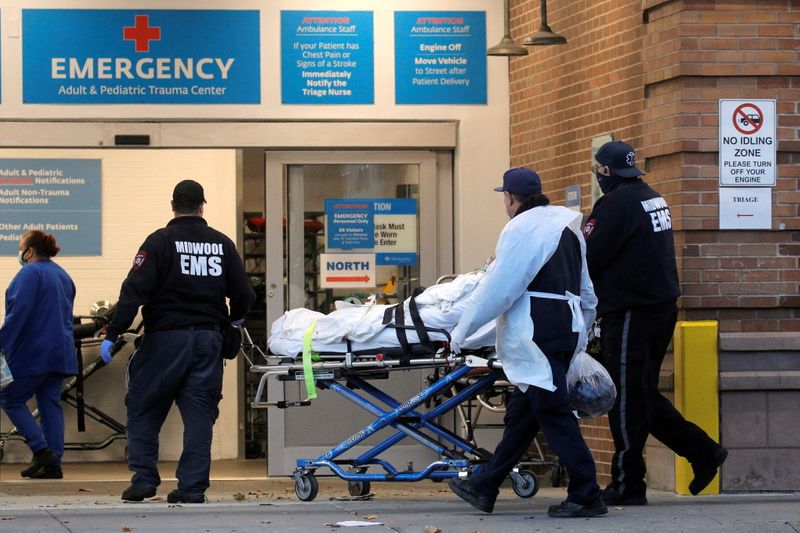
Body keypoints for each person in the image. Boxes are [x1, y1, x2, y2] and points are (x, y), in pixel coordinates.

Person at [447, 167, 606, 518]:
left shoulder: (520, 229)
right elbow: (586, 290)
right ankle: (485, 484)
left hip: (537, 331)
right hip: (566, 325)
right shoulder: (568, 229)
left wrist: (460, 334)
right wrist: (583, 331)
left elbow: (500, 288)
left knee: (552, 410)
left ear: (510, 197)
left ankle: (586, 493)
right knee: (525, 413)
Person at [583, 140, 727, 506]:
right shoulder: (652, 196)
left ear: (605, 171)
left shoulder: (615, 205)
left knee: (626, 398)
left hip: (632, 311)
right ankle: (703, 451)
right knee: (642, 393)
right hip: (659, 308)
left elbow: (589, 257)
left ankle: (628, 483)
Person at [102, 179, 255, 504]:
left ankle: (144, 480)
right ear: (202, 206)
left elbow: (133, 292)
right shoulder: (221, 244)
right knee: (200, 413)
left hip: (166, 340)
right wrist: (235, 321)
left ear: (173, 205)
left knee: (143, 405)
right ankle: (192, 488)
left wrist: (114, 332)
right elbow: (244, 293)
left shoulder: (159, 242)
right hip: (208, 342)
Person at [0, 230, 76, 479]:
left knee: (10, 398)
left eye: (21, 247)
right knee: (49, 403)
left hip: (35, 352)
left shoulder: (30, 273)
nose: (20, 252)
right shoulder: (63, 275)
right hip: (60, 352)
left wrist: (2, 343)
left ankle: (42, 450)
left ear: (29, 251)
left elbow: (18, 314)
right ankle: (53, 464)